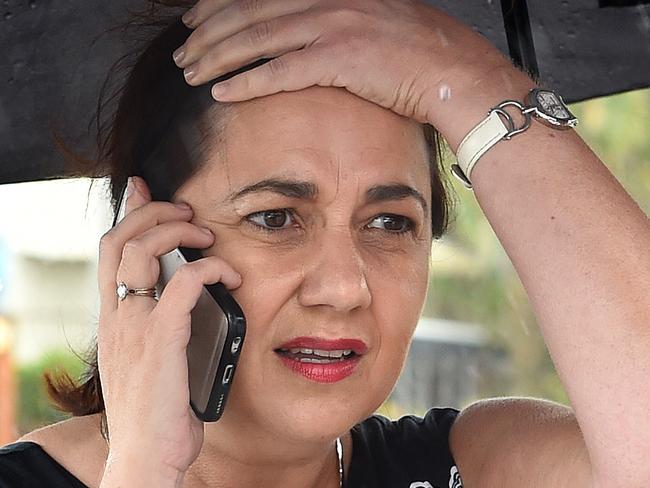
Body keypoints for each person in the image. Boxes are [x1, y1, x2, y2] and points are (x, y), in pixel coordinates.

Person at [1, 0, 649, 486]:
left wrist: (468, 79)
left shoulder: (474, 465)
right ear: (150, 247)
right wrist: (143, 470)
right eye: (277, 217)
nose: (344, 287)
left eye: (390, 223)